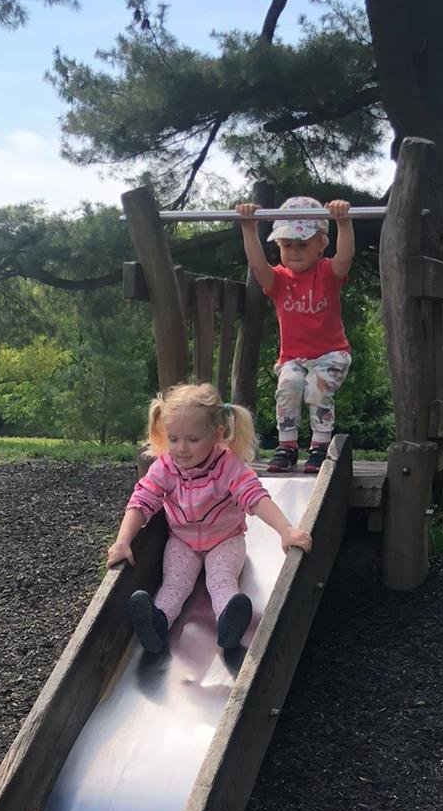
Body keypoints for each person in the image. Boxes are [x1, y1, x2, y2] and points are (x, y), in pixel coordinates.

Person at [107, 381, 312, 654]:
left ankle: (229, 621)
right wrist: (123, 540)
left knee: (221, 579)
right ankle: (157, 623)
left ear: (217, 435)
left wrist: (285, 530)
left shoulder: (228, 466)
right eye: (173, 438)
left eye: (193, 440)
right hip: (182, 541)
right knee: (175, 582)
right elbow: (142, 500)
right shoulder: (166, 466)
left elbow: (255, 497)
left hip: (225, 540)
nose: (181, 448)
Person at [234, 194, 355, 473]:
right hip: (293, 357)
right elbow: (257, 266)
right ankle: (287, 446)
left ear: (321, 244)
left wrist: (343, 222)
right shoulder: (279, 280)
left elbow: (345, 257)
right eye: (287, 245)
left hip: (331, 354)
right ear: (278, 246)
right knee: (288, 387)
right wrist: (249, 228)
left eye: (303, 244)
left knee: (317, 388)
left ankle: (320, 446)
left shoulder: (326, 273)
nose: (294, 252)